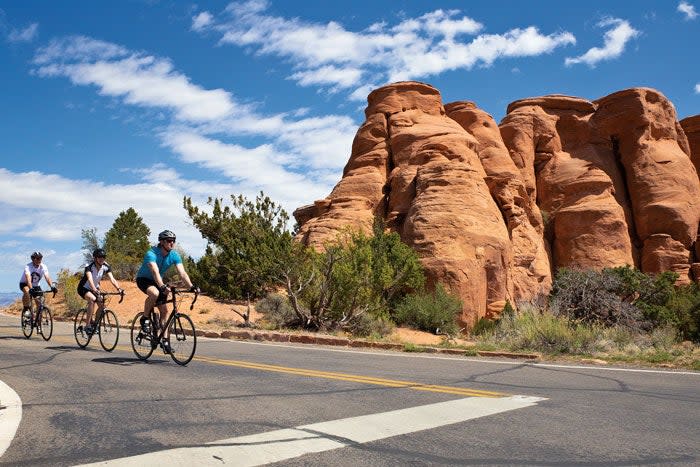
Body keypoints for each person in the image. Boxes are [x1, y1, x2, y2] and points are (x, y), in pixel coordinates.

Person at [135, 230, 196, 354]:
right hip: (144, 279)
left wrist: (192, 286)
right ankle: (145, 318)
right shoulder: (151, 253)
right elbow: (155, 272)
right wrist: (162, 286)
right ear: (162, 242)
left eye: (173, 241)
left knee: (165, 311)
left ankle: (165, 341)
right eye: (169, 241)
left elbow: (182, 273)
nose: (172, 243)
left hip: (159, 282)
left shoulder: (174, 255)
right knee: (155, 293)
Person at [77, 248, 123, 335]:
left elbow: (112, 279)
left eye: (104, 257)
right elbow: (90, 279)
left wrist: (119, 289)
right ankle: (87, 326)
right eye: (100, 257)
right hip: (84, 288)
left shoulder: (106, 266)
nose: (102, 259)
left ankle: (95, 324)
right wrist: (94, 289)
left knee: (102, 305)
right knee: (92, 299)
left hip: (95, 287)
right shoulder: (89, 266)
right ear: (95, 258)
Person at [19, 252, 57, 317]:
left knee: (40, 303)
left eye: (40, 258)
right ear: (33, 259)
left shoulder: (43, 266)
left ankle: (38, 321)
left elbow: (47, 277)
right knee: (27, 292)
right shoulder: (28, 267)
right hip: (25, 283)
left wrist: (52, 286)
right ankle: (26, 308)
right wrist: (31, 288)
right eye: (38, 258)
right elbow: (28, 279)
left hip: (36, 285)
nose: (39, 260)